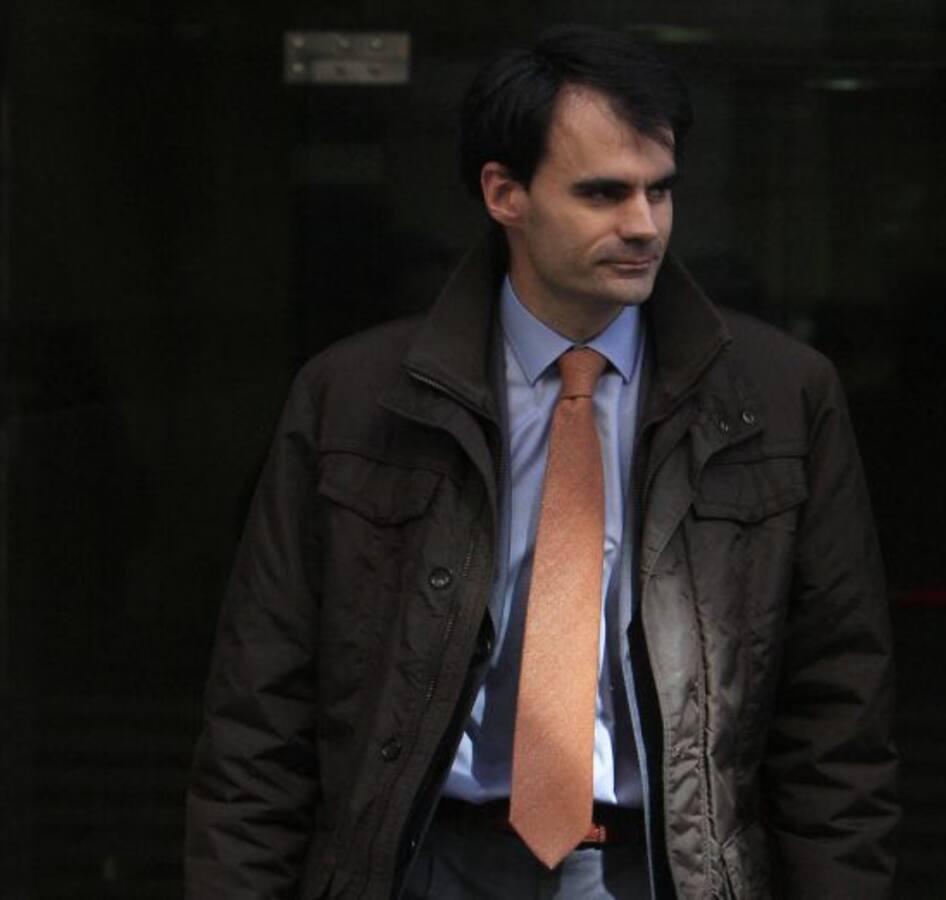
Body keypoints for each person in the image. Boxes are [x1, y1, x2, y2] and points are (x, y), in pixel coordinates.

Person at [185, 25, 898, 900]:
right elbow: (261, 710)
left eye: (660, 190)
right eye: (603, 193)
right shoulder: (354, 399)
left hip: (663, 870)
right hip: (422, 865)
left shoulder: (781, 398)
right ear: (504, 193)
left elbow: (836, 721)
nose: (643, 225)